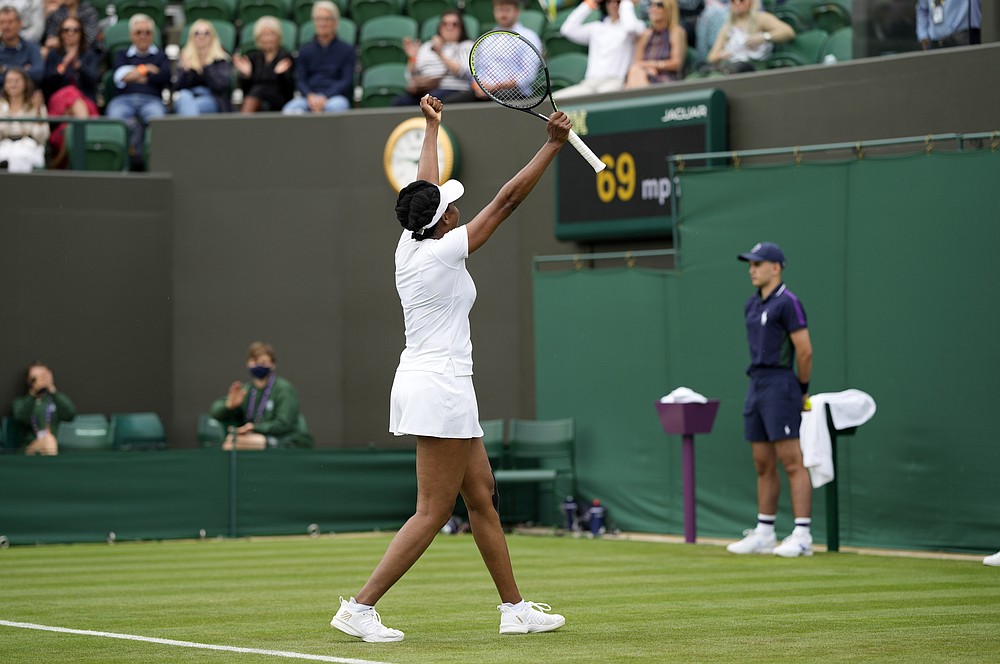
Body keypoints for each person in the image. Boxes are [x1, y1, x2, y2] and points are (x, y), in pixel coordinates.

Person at [329, 94, 570, 643]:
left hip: (441, 383)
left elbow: (422, 187)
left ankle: (514, 609)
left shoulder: (409, 242)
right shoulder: (442, 252)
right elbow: (506, 202)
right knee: (433, 511)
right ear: (446, 222)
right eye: (451, 204)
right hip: (439, 386)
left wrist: (432, 127)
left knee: (481, 495)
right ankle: (359, 607)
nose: (457, 203)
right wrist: (551, 146)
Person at [727, 242, 814, 558]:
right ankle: (765, 533)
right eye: (750, 264)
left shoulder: (789, 303)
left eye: (758, 264)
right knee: (762, 462)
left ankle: (803, 535)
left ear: (775, 268)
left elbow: (804, 350)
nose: (752, 269)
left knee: (791, 461)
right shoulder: (751, 305)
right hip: (757, 384)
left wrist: (801, 387)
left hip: (782, 383)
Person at [209, 341, 314, 450]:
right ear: (248, 363)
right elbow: (215, 412)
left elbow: (283, 424)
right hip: (257, 436)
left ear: (273, 364)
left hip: (286, 439)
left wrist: (255, 428)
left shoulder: (284, 389)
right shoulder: (246, 391)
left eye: (263, 362)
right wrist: (228, 406)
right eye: (254, 361)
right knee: (232, 440)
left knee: (236, 443)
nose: (258, 365)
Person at [105, 13, 169, 170]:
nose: (143, 36)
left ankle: (157, 167)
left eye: (147, 32)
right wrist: (145, 69)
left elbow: (163, 77)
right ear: (131, 35)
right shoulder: (121, 54)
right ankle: (121, 167)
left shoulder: (161, 55)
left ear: (153, 35)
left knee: (159, 122)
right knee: (116, 121)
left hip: (152, 100)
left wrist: (133, 75)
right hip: (123, 100)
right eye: (138, 32)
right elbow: (119, 78)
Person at [554, 0, 645, 99]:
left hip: (615, 83)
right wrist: (588, 4)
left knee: (600, 100)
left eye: (618, 1)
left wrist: (626, 3)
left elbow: (630, 27)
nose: (613, 4)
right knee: (555, 99)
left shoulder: (636, 26)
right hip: (590, 84)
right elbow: (567, 30)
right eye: (609, 1)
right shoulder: (596, 27)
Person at [41, 15, 98, 165]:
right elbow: (47, 83)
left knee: (66, 130)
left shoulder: (89, 54)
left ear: (81, 33)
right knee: (69, 91)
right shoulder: (54, 55)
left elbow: (94, 81)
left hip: (86, 104)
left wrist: (78, 65)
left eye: (75, 30)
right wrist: (64, 65)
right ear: (60, 33)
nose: (71, 33)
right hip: (58, 104)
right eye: (66, 30)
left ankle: (60, 160)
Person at [282, 0, 353, 114]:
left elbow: (346, 80)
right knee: (290, 110)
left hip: (334, 98)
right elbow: (300, 80)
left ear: (335, 22)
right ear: (314, 22)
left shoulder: (346, 50)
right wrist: (310, 96)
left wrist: (325, 97)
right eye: (319, 19)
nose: (323, 23)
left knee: (336, 107)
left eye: (327, 19)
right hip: (309, 98)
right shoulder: (305, 50)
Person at [392, 8, 474, 106]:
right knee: (400, 102)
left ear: (461, 28)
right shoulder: (426, 46)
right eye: (445, 24)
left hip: (454, 90)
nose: (449, 28)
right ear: (439, 27)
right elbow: (411, 76)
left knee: (431, 99)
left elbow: (464, 72)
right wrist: (412, 58)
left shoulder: (467, 46)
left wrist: (440, 53)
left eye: (454, 24)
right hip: (425, 91)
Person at [704, 0, 793, 74]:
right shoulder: (727, 27)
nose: (737, 3)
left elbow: (788, 32)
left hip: (755, 66)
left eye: (742, 1)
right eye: (733, 1)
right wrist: (721, 55)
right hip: (731, 65)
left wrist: (764, 37)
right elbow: (711, 57)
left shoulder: (761, 18)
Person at [10, 362, 76, 455]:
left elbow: (70, 414)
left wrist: (53, 390)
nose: (40, 380)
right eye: (35, 378)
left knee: (49, 440)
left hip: (54, 446)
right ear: (28, 380)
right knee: (48, 440)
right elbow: (21, 418)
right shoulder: (21, 402)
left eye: (43, 376)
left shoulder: (54, 400)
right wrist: (33, 393)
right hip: (29, 449)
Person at [232, 15, 294, 113]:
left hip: (278, 99)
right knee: (255, 93)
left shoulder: (285, 57)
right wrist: (247, 76)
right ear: (258, 37)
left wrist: (280, 75)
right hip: (256, 99)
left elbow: (288, 89)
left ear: (278, 36)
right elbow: (246, 91)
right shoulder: (253, 57)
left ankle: (242, 123)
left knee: (259, 90)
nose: (268, 39)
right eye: (264, 35)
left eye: (272, 34)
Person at [173, 19, 232, 116]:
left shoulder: (220, 59)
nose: (201, 36)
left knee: (190, 107)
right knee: (184, 96)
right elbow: (177, 87)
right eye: (197, 33)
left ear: (212, 37)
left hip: (211, 98)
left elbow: (220, 87)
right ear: (192, 37)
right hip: (188, 96)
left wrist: (206, 66)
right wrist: (186, 71)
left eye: (206, 33)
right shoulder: (185, 57)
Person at [625, 0, 687, 88]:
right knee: (635, 72)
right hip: (645, 75)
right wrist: (648, 70)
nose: (653, 8)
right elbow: (637, 62)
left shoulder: (676, 32)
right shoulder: (646, 34)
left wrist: (654, 66)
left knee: (634, 75)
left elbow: (676, 63)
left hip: (667, 79)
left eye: (659, 5)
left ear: (669, 9)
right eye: (651, 5)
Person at [0, 65, 48, 171]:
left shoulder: (37, 105)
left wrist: (38, 112)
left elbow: (42, 137)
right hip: (4, 145)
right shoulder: (0, 105)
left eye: (17, 81)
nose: (12, 84)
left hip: (29, 147)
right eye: (9, 81)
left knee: (19, 156)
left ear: (25, 83)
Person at [0, 6, 43, 86]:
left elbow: (38, 73)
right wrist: (24, 69)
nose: (6, 26)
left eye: (10, 22)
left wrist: (4, 68)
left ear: (20, 24)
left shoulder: (31, 47)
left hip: (26, 96)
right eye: (2, 22)